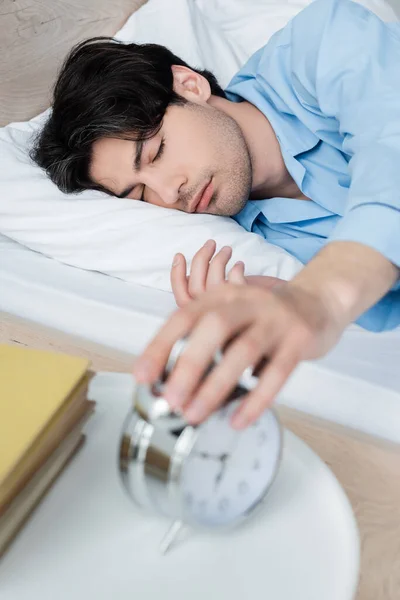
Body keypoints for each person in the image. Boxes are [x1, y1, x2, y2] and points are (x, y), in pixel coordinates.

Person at [32, 0, 400, 429]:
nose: (170, 192)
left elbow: (390, 150)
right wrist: (279, 296)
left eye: (156, 152)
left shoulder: (319, 43)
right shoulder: (251, 236)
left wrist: (315, 298)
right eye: (140, 193)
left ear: (189, 85)